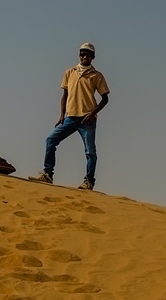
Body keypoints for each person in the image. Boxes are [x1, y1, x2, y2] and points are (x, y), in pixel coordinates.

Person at [28, 43, 110, 190]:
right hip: (70, 117)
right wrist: (61, 115)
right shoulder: (70, 72)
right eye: (82, 54)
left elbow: (105, 98)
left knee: (90, 151)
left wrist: (92, 113)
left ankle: (89, 181)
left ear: (93, 57)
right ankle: (48, 174)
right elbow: (65, 95)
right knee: (50, 140)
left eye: (88, 54)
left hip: (87, 119)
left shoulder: (96, 75)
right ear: (79, 55)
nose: (85, 57)